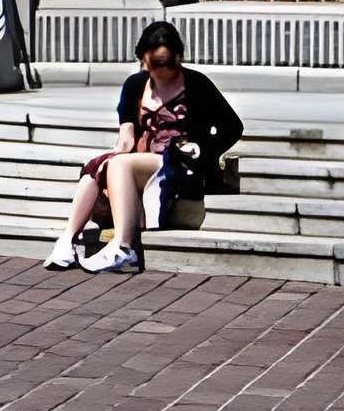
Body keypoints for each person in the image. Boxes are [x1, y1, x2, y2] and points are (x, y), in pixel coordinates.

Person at [44, 19, 244, 271]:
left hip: (178, 163)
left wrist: (203, 147)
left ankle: (125, 247)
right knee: (96, 168)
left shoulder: (196, 84)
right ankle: (67, 241)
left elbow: (232, 126)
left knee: (118, 165)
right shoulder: (134, 85)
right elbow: (126, 136)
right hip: (140, 161)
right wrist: (111, 157)